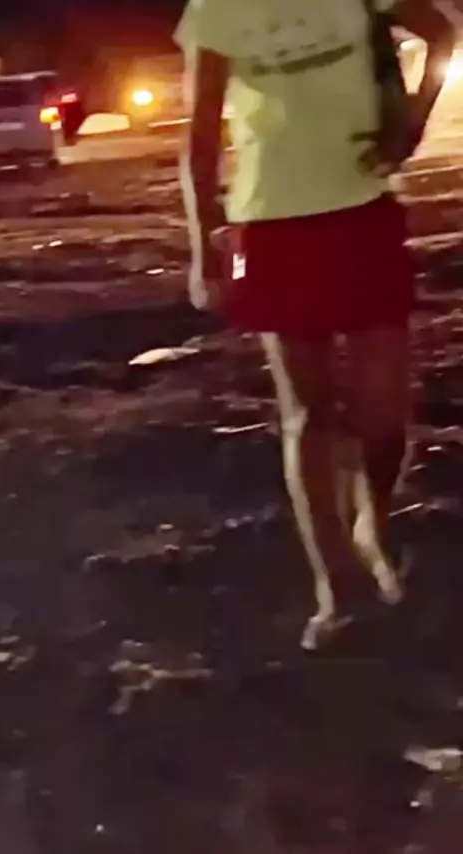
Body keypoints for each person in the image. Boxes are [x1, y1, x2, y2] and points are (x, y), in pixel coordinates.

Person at [175, 0, 456, 649]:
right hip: (265, 226)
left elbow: (441, 31)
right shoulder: (216, 9)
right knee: (308, 411)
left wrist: (414, 120)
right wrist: (203, 250)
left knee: (384, 409)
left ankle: (373, 519)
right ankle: (337, 590)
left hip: (363, 210)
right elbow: (199, 136)